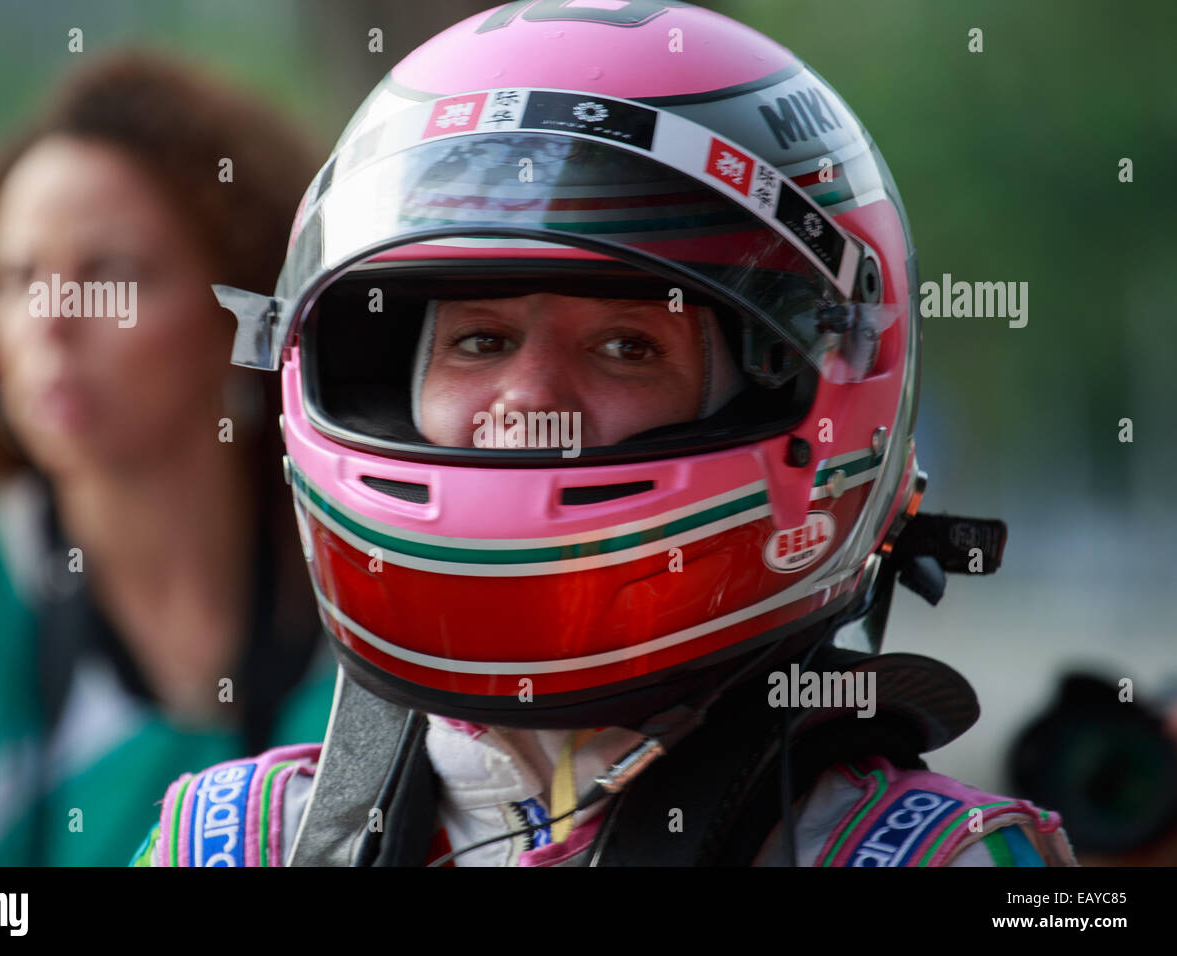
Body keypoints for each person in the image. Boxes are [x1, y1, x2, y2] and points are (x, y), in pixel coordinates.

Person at [132, 2, 1078, 867]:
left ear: (812, 399)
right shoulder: (231, 841)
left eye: (627, 346)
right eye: (480, 340)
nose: (528, 400)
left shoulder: (929, 859)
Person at [0, 52, 338, 866]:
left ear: (241, 315)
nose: (49, 321)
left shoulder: (369, 584)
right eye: (16, 278)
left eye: (109, 274)